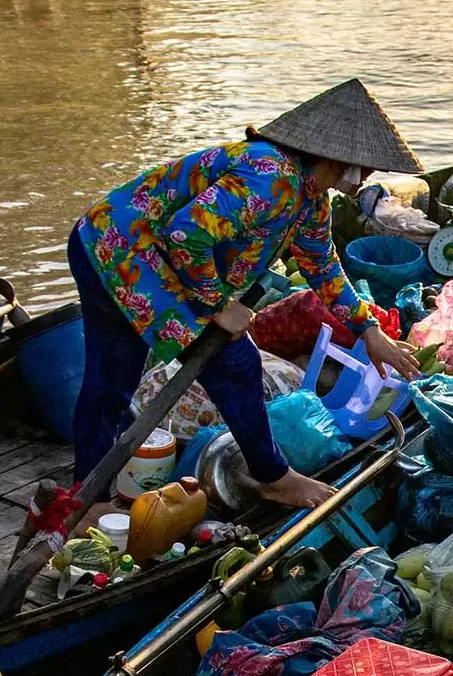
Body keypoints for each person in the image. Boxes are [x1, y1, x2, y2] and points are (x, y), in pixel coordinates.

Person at [68, 79, 423, 509]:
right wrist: (218, 305)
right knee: (227, 363)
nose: (368, 176)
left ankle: (84, 497)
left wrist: (369, 330)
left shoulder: (312, 200)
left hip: (138, 255)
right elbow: (185, 235)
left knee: (114, 382)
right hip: (122, 249)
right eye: (365, 165)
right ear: (338, 157)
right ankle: (271, 477)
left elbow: (322, 265)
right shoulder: (270, 176)